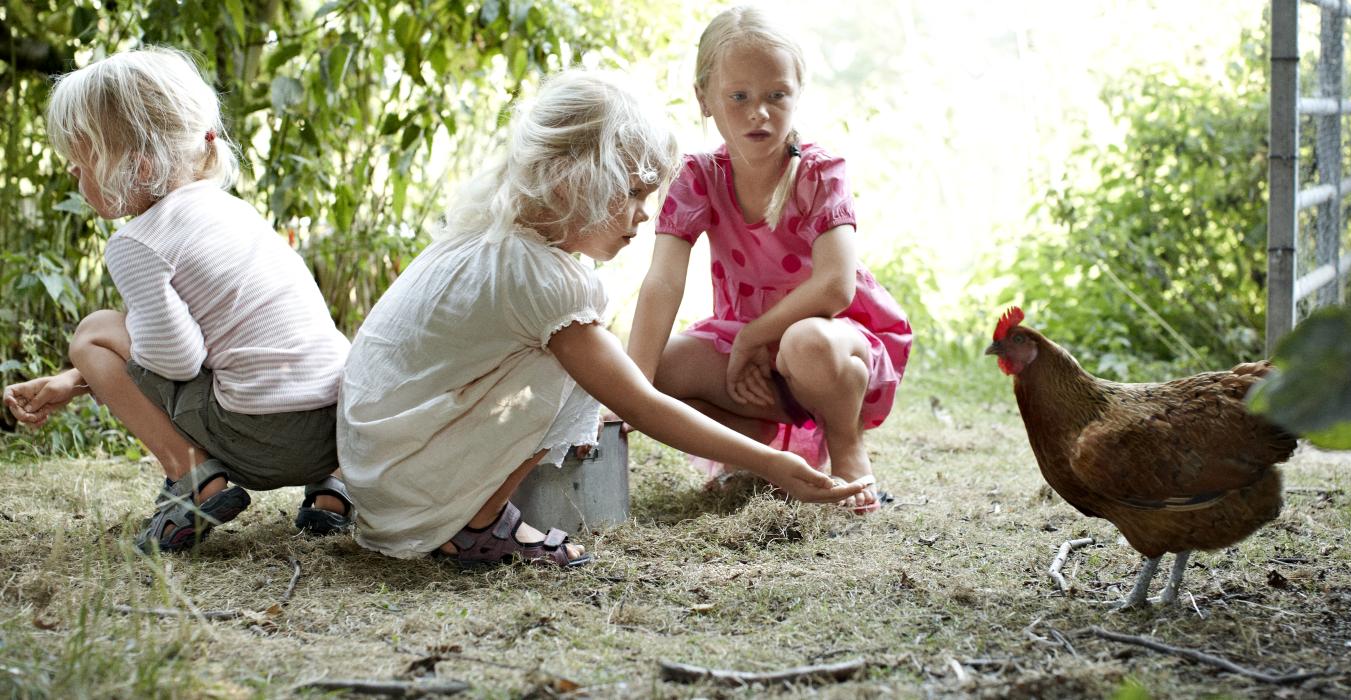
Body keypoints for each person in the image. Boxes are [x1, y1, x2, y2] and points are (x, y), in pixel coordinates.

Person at [336, 70, 865, 566]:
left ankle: (469, 512)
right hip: (408, 495)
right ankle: (477, 526)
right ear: (572, 180)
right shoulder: (543, 277)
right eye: (633, 191)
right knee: (580, 363)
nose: (644, 213)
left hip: (375, 475)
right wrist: (775, 464)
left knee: (586, 355)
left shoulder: (483, 237)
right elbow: (638, 399)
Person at [1, 47, 354, 552]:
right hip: (337, 431)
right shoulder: (233, 213)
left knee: (93, 332)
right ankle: (332, 495)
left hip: (262, 439)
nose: (73, 175)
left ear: (138, 167)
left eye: (80, 161)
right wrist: (77, 386)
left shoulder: (139, 241)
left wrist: (89, 371)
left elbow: (178, 358)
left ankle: (193, 479)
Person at [627, 6, 912, 513]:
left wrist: (756, 338)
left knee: (806, 342)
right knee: (656, 366)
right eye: (739, 97)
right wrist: (629, 393)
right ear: (705, 99)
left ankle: (847, 450)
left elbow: (835, 287)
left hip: (828, 344)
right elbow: (663, 283)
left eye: (775, 95)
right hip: (746, 353)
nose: (759, 112)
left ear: (797, 93)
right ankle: (759, 453)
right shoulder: (699, 175)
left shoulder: (820, 172)